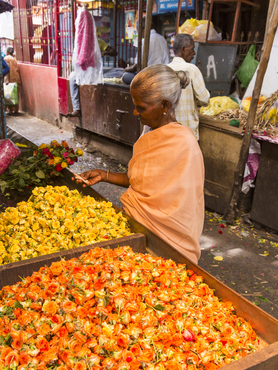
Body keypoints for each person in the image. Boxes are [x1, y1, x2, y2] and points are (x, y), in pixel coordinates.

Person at [73, 64, 205, 264]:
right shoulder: (149, 133)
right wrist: (104, 175)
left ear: (165, 106)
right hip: (138, 227)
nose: (135, 113)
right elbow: (140, 180)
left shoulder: (185, 143)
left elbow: (184, 204)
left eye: (141, 107)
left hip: (172, 241)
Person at [168, 33, 210, 140]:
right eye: (192, 49)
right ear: (183, 49)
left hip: (169, 133)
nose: (194, 53)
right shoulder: (192, 69)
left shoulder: (164, 70)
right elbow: (204, 99)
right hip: (187, 134)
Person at [122, 18, 170, 85]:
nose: (139, 33)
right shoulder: (162, 38)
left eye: (138, 31)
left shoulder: (145, 41)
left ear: (142, 30)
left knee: (125, 76)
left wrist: (127, 69)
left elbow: (138, 66)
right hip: (164, 75)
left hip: (152, 77)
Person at [4, 46, 21, 115]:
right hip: (16, 78)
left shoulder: (6, 58)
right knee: (15, 94)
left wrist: (7, 79)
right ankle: (16, 110)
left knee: (9, 94)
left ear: (7, 52)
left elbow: (7, 69)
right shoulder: (14, 59)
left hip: (9, 79)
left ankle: (10, 110)